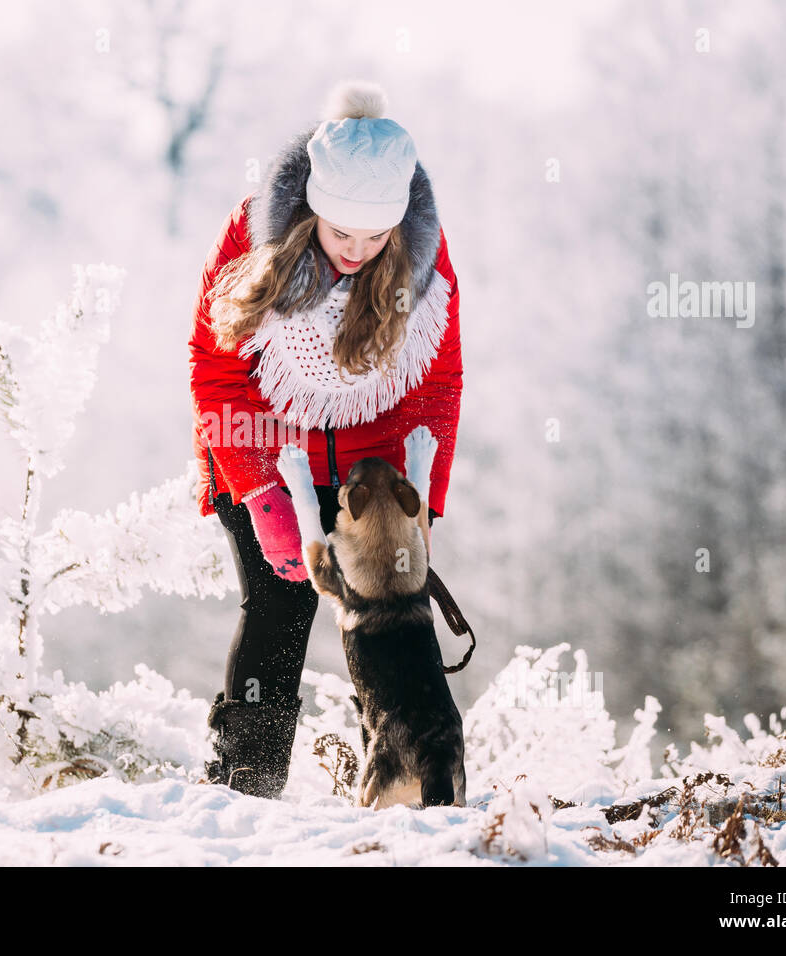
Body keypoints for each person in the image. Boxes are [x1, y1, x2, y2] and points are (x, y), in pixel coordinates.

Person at [188, 80, 462, 798]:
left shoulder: (422, 266)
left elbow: (439, 385)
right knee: (282, 605)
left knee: (394, 620)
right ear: (312, 210)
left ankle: (413, 786)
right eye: (343, 234)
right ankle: (245, 784)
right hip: (262, 453)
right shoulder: (250, 242)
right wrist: (259, 491)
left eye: (377, 238)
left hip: (368, 477)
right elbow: (216, 375)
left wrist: (421, 507)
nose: (359, 251)